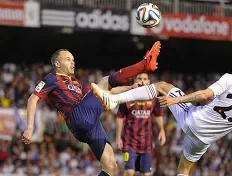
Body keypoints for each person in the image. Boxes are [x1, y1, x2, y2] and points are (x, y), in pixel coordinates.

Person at [91, 52, 232, 175]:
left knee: (162, 86)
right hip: (206, 139)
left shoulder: (231, 79)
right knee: (184, 168)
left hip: (194, 120)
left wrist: (176, 100)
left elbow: (204, 95)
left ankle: (115, 99)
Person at [21, 41, 161, 176]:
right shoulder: (52, 78)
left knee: (111, 167)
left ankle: (124, 91)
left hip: (90, 124)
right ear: (57, 64)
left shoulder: (77, 83)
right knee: (105, 81)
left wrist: (130, 88)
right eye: (68, 59)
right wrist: (30, 127)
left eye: (73, 59)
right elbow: (32, 99)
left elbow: (106, 92)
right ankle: (144, 64)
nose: (72, 62)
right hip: (77, 117)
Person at [115, 72, 166, 176]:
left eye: (145, 79)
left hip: (146, 145)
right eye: (139, 78)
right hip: (129, 143)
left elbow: (158, 115)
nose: (142, 81)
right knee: (129, 172)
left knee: (146, 174)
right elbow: (120, 117)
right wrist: (118, 137)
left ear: (149, 81)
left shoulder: (154, 98)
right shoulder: (127, 97)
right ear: (135, 81)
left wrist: (162, 131)